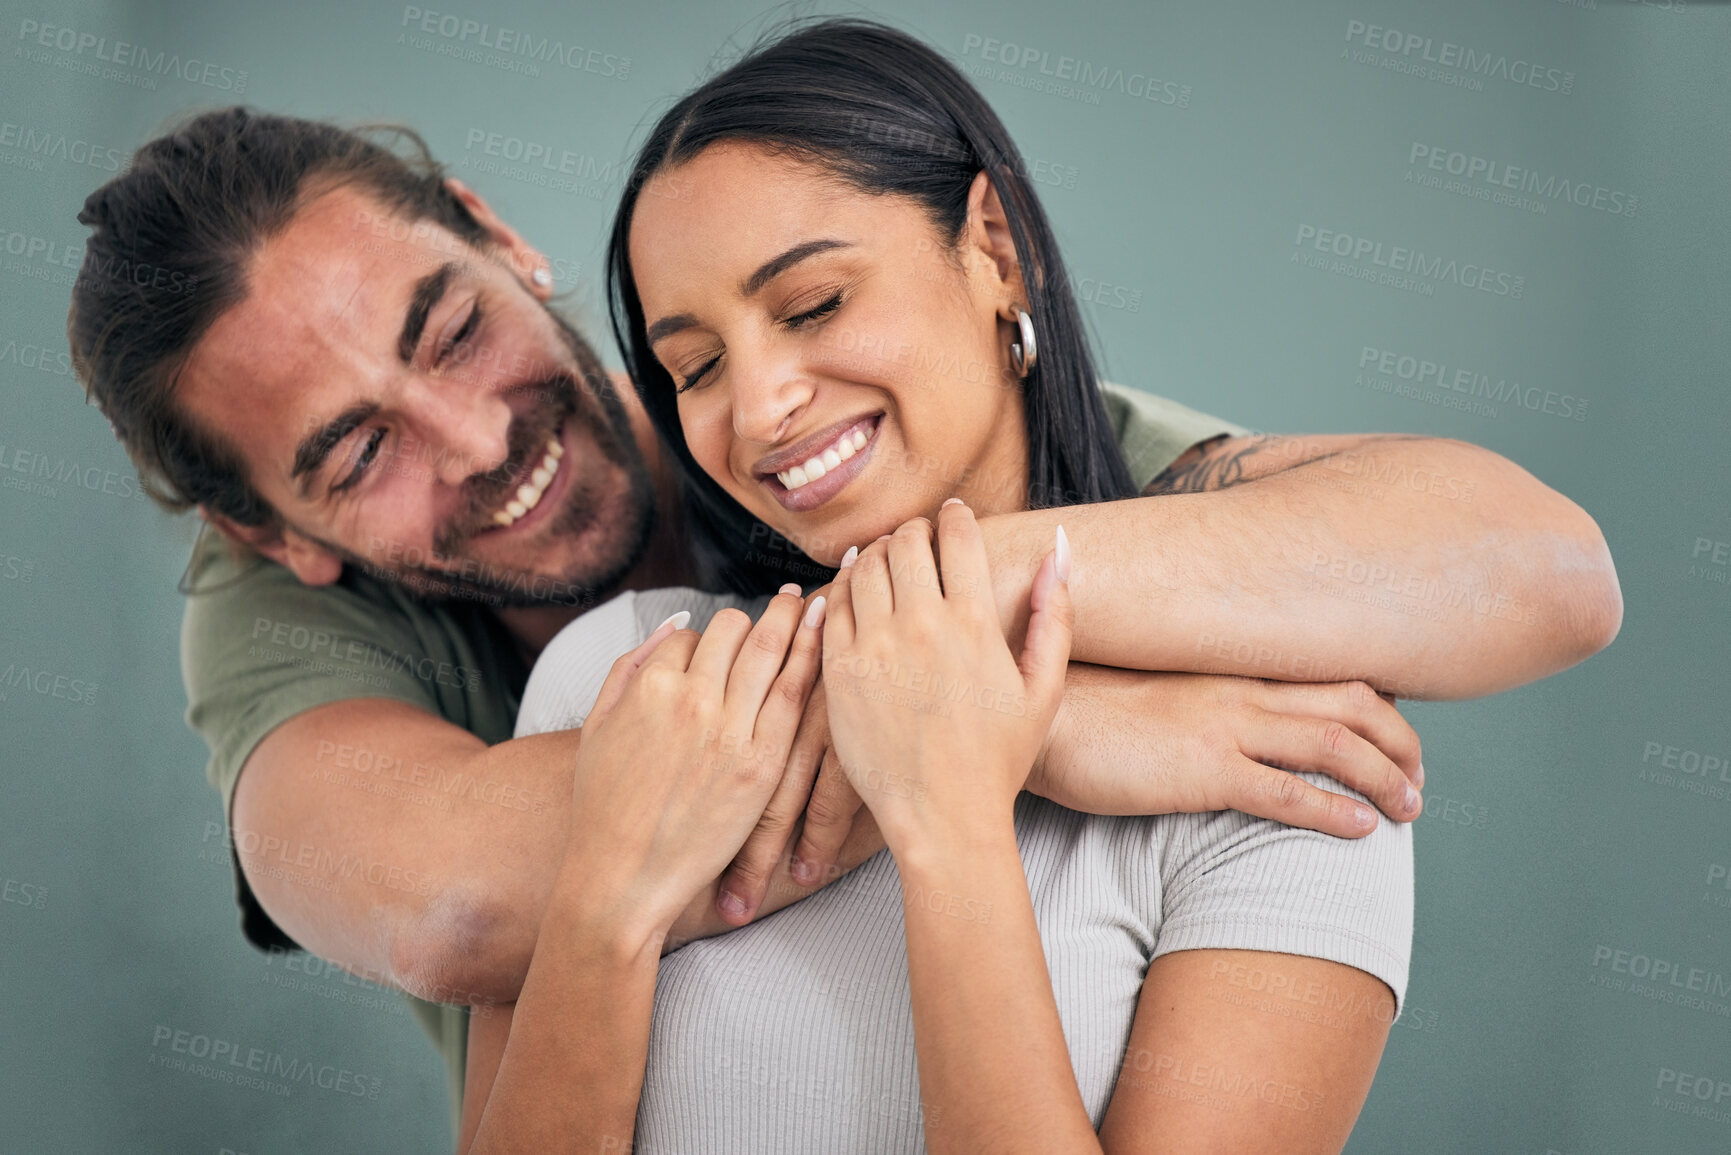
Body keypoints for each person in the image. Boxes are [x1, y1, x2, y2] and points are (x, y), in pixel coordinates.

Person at [64, 89, 1615, 1151]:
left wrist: (968, 639)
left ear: (494, 233)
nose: (475, 445)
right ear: (270, 532)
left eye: (455, 329)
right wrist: (1039, 717)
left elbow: (1535, 569)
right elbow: (452, 908)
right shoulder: (557, 665)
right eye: (358, 454)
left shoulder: (857, 429)